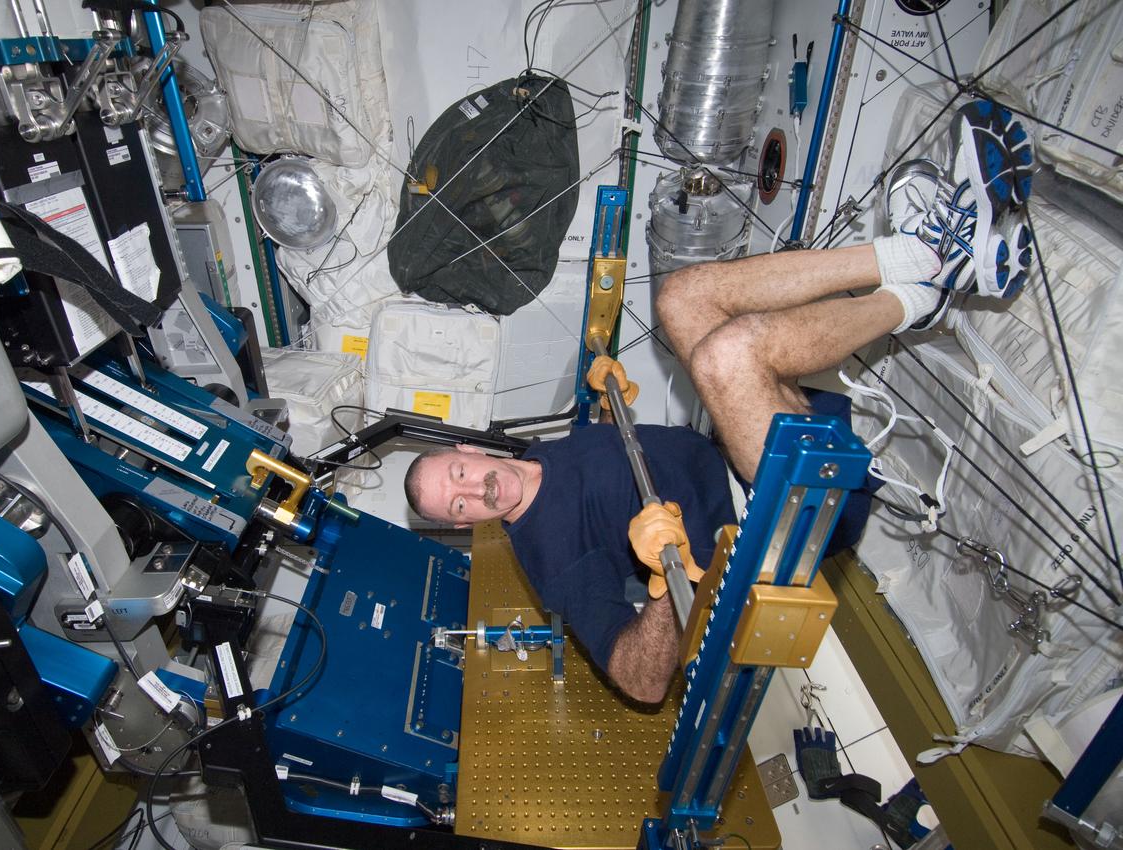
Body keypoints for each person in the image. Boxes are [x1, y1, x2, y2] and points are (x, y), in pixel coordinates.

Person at [403, 100, 1034, 703]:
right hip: (770, 521)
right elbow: (641, 682)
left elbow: (597, 483)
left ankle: (914, 260)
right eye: (457, 506)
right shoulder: (547, 558)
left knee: (679, 298)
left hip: (731, 449)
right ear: (464, 526)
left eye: (458, 474)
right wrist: (659, 585)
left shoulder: (536, 455)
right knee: (723, 358)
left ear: (466, 448)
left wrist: (602, 410)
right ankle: (927, 280)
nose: (474, 491)